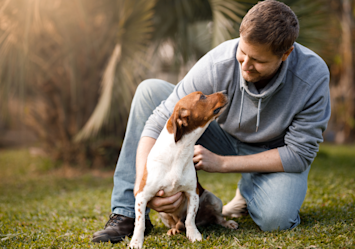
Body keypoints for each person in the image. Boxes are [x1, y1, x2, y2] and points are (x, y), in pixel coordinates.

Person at [92, 0, 331, 243]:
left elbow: (299, 154)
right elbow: (158, 121)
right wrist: (143, 184)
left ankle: (252, 190)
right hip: (220, 134)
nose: (246, 66)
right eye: (243, 53)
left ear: (286, 54)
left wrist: (222, 163)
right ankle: (125, 212)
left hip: (272, 151)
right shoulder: (218, 62)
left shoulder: (312, 76)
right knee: (149, 91)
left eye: (257, 60)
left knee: (276, 220)